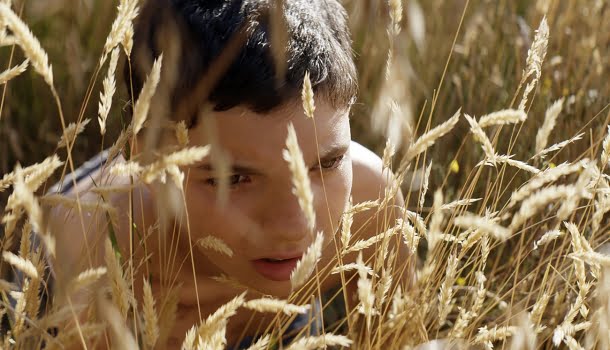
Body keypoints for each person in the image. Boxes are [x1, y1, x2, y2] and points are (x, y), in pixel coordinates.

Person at [49, 0, 413, 348]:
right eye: (233, 179)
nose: (295, 227)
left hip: (282, 325)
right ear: (150, 165)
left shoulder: (371, 203)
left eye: (327, 163)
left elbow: (398, 342)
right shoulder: (100, 242)